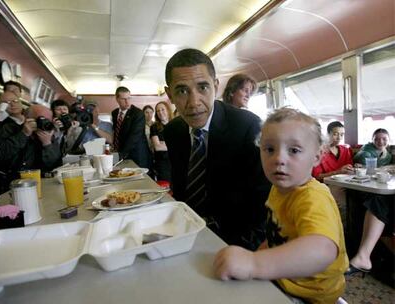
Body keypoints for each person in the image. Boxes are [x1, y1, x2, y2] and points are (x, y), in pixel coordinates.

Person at [214, 107, 348, 304]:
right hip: (285, 280)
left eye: (293, 150)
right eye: (269, 149)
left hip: (310, 294)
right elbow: (279, 235)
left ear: (317, 157)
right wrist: (257, 254)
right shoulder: (279, 188)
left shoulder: (312, 197)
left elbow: (323, 250)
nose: (278, 159)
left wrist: (254, 263)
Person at [163, 48, 270, 250]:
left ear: (216, 86)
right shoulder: (173, 131)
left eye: (202, 87)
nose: (194, 103)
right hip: (185, 235)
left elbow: (263, 203)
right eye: (182, 91)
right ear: (169, 94)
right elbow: (181, 189)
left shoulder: (248, 127)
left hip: (235, 241)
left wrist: (244, 251)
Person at [346, 129, 393, 276]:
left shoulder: (388, 155)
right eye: (377, 139)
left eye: (384, 139)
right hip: (368, 187)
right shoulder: (366, 152)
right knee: (378, 200)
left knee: (378, 201)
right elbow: (362, 159)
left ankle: (365, 256)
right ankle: (364, 256)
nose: (380, 142)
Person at [0, 99, 62, 190]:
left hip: (41, 184)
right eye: (42, 119)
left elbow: (56, 166)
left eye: (48, 120)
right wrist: (24, 134)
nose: (45, 123)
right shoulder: (10, 129)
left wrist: (47, 144)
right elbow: (0, 155)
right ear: (27, 119)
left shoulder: (48, 133)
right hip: (13, 185)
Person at [112, 86, 151, 168]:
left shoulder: (138, 114)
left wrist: (120, 155)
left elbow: (134, 137)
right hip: (121, 155)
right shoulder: (114, 113)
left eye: (129, 98)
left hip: (137, 155)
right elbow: (117, 133)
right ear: (117, 99)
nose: (127, 102)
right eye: (123, 99)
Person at [150, 101, 173, 181]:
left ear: (168, 110)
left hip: (176, 161)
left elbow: (182, 144)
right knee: (165, 188)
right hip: (162, 163)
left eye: (163, 109)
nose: (160, 112)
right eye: (158, 111)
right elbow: (157, 147)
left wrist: (164, 144)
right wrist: (175, 145)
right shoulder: (154, 127)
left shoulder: (176, 124)